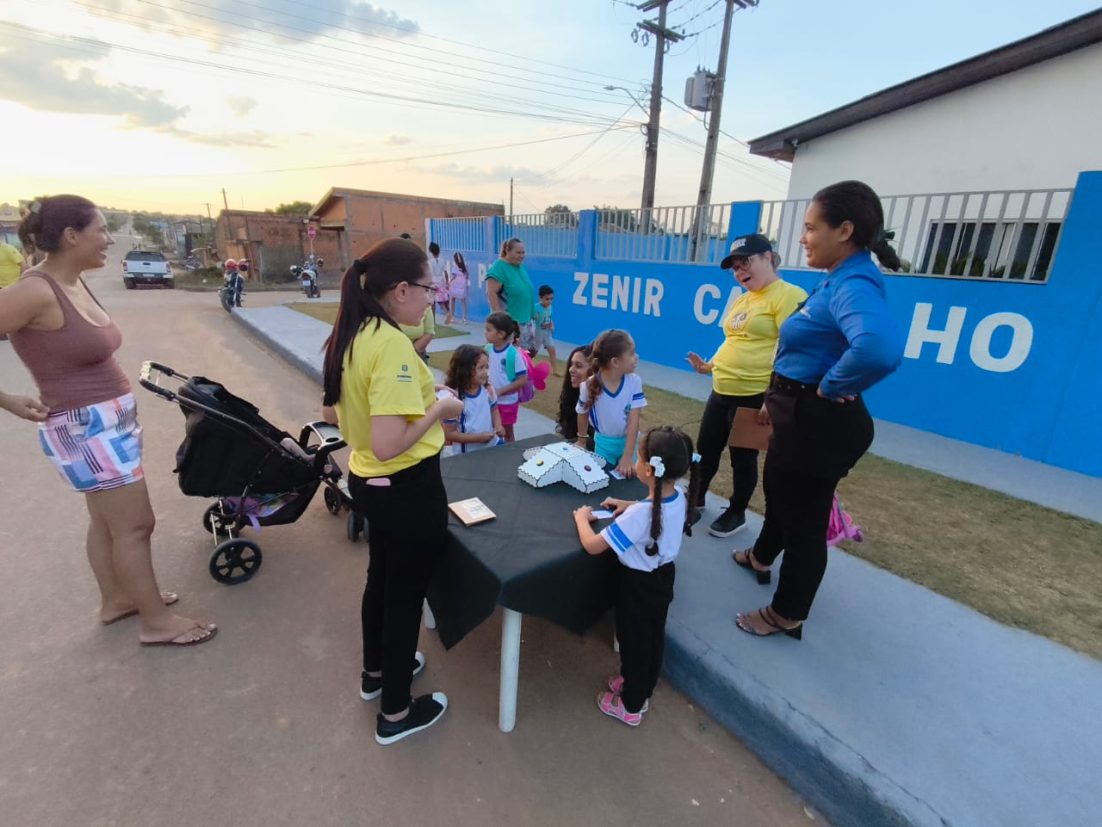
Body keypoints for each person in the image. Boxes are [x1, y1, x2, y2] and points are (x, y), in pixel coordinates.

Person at [0, 195, 216, 646]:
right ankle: (156, 623)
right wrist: (7, 400)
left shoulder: (72, 281)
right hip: (85, 429)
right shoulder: (35, 290)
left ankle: (118, 599)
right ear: (71, 235)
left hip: (106, 425)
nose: (109, 239)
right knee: (136, 525)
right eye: (100, 230)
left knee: (107, 524)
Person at [734, 180, 904, 640]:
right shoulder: (837, 277)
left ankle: (787, 613)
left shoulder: (856, 283)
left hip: (818, 422)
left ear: (844, 230)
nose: (803, 237)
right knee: (779, 491)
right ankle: (761, 557)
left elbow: (878, 349)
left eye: (811, 228)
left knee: (804, 522)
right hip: (797, 413)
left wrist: (832, 384)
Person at [321, 237, 463, 744]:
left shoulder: (354, 332)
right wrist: (440, 409)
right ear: (401, 290)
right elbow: (387, 443)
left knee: (381, 581)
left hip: (369, 482)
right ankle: (397, 713)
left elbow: (333, 411)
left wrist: (424, 398)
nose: (432, 299)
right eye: (429, 289)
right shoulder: (391, 345)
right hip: (405, 486)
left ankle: (377, 673)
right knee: (404, 596)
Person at [573, 426, 699, 726]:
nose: (636, 463)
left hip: (637, 585)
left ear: (648, 469)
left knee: (634, 642)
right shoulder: (679, 496)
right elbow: (652, 509)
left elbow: (593, 546)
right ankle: (639, 683)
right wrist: (627, 505)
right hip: (662, 578)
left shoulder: (639, 517)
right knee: (652, 637)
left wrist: (581, 519)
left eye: (639, 458)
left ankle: (631, 704)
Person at [686, 235, 807, 538]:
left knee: (743, 457)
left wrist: (773, 396)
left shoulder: (789, 295)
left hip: (754, 393)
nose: (740, 272)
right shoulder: (743, 299)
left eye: (745, 263)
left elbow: (791, 350)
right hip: (721, 388)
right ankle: (695, 497)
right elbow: (732, 340)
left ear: (768, 257)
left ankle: (736, 511)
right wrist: (710, 365)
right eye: (735, 268)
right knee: (706, 448)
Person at [575, 329, 646, 478]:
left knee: (630, 482)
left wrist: (627, 455)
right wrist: (581, 440)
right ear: (615, 362)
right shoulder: (588, 386)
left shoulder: (634, 381)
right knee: (604, 480)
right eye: (632, 353)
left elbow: (634, 421)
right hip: (603, 445)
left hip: (630, 444)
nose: (637, 357)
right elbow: (582, 413)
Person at [442, 344, 505, 453]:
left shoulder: (488, 389)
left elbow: (494, 409)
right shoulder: (453, 398)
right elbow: (449, 434)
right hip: (468, 454)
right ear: (464, 370)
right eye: (481, 368)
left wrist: (498, 426)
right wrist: (478, 438)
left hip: (492, 444)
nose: (486, 372)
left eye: (487, 367)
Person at [483, 311, 529, 443]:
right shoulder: (487, 349)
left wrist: (500, 391)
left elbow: (523, 380)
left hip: (507, 402)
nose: (485, 333)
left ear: (501, 334)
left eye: (489, 330)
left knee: (507, 433)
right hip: (490, 401)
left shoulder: (513, 354)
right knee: (491, 430)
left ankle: (510, 452)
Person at [485, 237, 536, 352]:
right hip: (511, 324)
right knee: (510, 358)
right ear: (507, 251)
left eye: (523, 252)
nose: (521, 256)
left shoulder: (519, 266)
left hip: (526, 321)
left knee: (526, 357)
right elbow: (491, 293)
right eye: (518, 252)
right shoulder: (499, 267)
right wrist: (500, 320)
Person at [555, 343, 592, 443]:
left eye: (578, 366)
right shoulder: (572, 395)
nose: (571, 369)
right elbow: (565, 430)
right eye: (571, 364)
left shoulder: (602, 402)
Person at [0, 239, 25, 341]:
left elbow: (22, 264)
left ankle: (17, 330)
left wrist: (22, 281)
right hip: (1, 285)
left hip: (11, 285)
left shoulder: (8, 249)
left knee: (12, 310)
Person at [531, 284, 558, 374]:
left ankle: (555, 371)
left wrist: (552, 326)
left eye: (551, 299)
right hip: (537, 333)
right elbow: (532, 320)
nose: (549, 301)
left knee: (552, 350)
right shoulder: (535, 308)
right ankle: (528, 367)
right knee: (533, 352)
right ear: (540, 298)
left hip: (547, 333)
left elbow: (550, 318)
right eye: (547, 299)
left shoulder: (550, 307)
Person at [444, 252, 469, 324]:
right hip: (462, 285)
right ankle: (464, 318)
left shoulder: (455, 267)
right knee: (463, 302)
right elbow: (467, 276)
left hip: (455, 285)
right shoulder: (466, 266)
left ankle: (452, 317)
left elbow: (453, 276)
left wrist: (449, 282)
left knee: (452, 300)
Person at [427, 242, 448, 321]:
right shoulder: (442, 260)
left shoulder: (429, 262)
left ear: (431, 252)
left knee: (432, 302)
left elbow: (428, 273)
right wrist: (447, 283)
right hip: (440, 282)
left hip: (432, 282)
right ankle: (447, 314)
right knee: (441, 301)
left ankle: (433, 319)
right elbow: (445, 273)